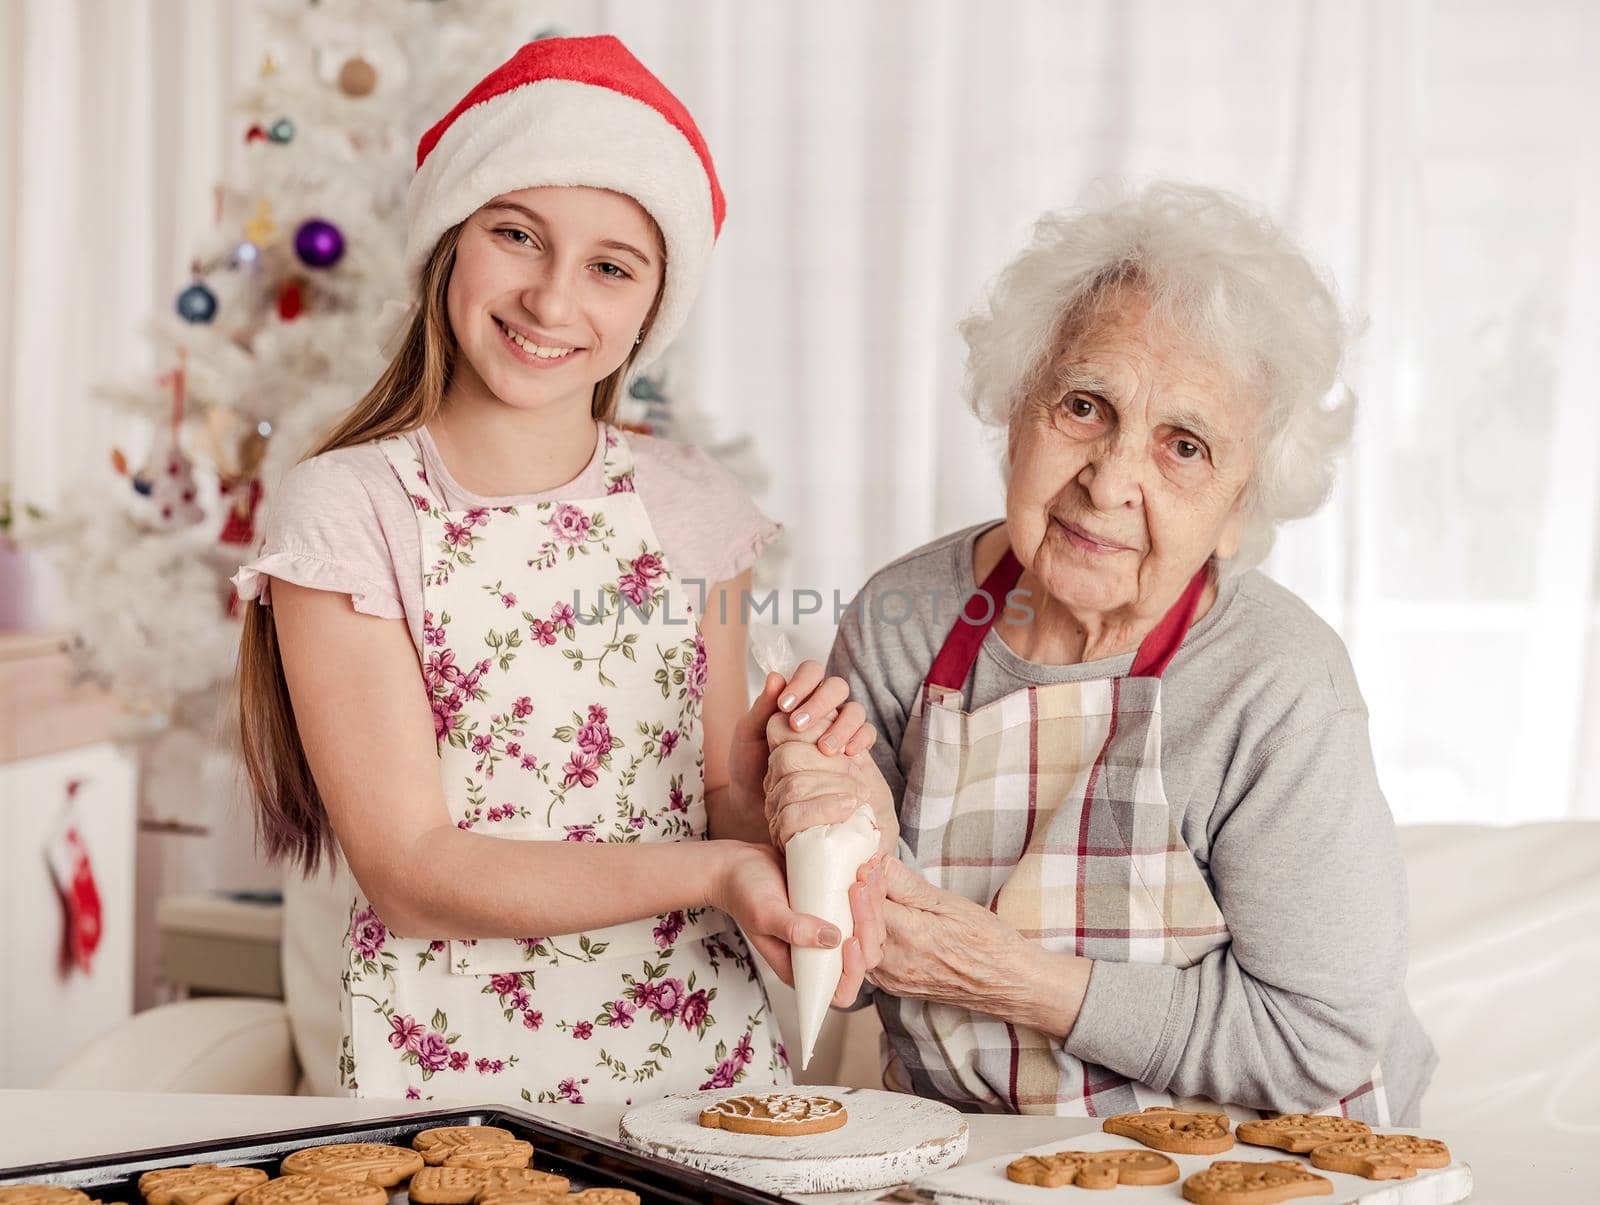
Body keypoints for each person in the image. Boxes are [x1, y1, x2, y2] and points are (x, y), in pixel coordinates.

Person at [232, 35, 873, 1105]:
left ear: (651, 303)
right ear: (449, 241)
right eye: (517, 235)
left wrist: (795, 798)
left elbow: (721, 800)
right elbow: (412, 874)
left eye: (610, 266)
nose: (551, 299)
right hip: (453, 1078)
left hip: (700, 1072)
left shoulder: (692, 506)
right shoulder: (346, 512)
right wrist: (714, 871)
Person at [762, 183, 1437, 1124]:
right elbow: (836, 977)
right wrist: (826, 841)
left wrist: (1018, 980)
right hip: (969, 1166)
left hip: (1247, 1167)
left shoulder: (1277, 685)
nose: (1111, 480)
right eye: (1085, 404)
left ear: (1240, 508)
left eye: (1185, 446)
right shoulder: (903, 617)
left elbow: (1314, 1044)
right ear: (1018, 405)